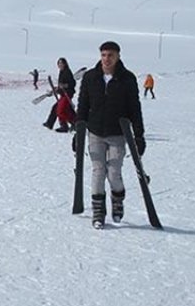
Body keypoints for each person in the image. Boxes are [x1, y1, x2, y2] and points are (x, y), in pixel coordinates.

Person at [75, 41, 144, 229]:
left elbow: (135, 108)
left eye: (110, 55)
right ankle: (98, 212)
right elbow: (82, 106)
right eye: (104, 55)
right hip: (95, 132)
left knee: (114, 172)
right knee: (98, 171)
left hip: (117, 134)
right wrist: (78, 133)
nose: (106, 59)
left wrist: (139, 136)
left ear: (118, 56)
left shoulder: (127, 79)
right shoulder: (91, 77)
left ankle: (117, 199)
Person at [43, 57, 76, 131]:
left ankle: (68, 125)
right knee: (56, 108)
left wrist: (64, 86)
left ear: (65, 64)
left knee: (60, 110)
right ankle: (50, 123)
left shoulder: (67, 72)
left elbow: (72, 83)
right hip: (63, 94)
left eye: (62, 63)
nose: (60, 65)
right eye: (59, 63)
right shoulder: (61, 72)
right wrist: (56, 89)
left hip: (67, 94)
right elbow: (61, 85)